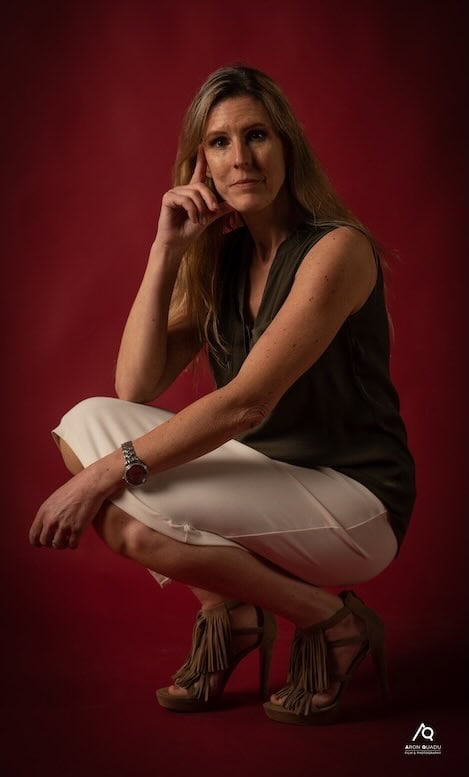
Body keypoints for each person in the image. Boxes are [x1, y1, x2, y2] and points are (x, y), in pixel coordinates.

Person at [29, 65, 416, 726]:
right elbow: (134, 384)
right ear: (197, 163)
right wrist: (166, 251)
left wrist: (98, 479)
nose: (240, 157)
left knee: (123, 518)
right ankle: (232, 613)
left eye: (257, 135)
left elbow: (247, 404)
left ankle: (330, 620)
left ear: (286, 146)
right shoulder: (222, 256)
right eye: (218, 142)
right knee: (84, 419)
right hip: (271, 475)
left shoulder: (336, 249)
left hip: (354, 501)